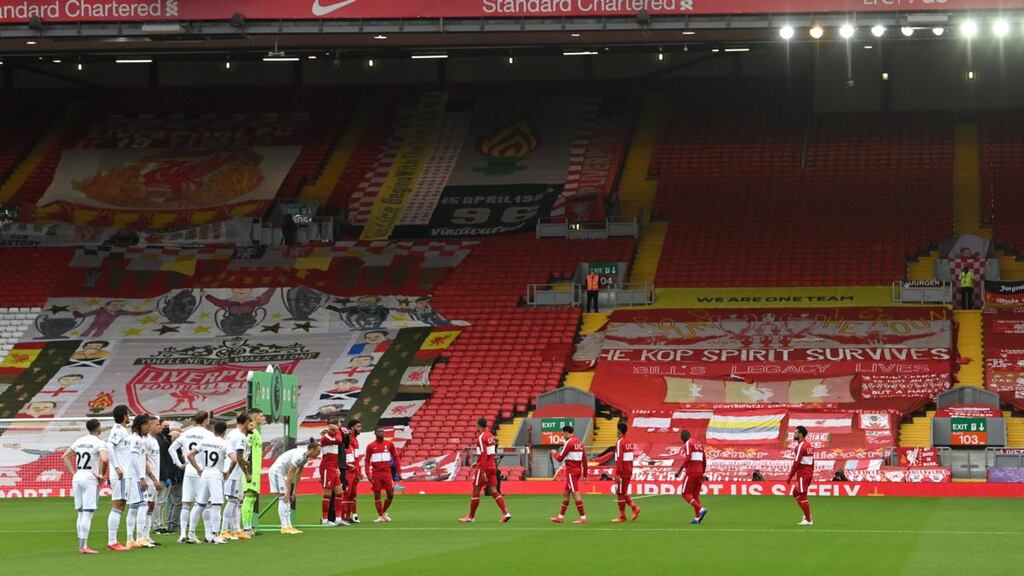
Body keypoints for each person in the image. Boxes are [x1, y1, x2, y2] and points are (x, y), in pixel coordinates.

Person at [62, 418, 109, 554]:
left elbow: (64, 457)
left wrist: (74, 474)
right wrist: (101, 474)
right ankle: (83, 547)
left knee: (80, 513)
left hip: (78, 477)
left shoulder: (79, 441)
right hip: (90, 478)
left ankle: (82, 544)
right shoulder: (99, 442)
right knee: (87, 514)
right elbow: (105, 459)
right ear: (98, 428)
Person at [168, 410, 212, 544]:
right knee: (204, 503)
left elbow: (171, 449)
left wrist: (179, 464)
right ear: (205, 420)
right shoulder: (208, 435)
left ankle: (182, 535)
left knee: (186, 503)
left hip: (189, 470)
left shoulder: (186, 433)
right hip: (202, 470)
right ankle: (208, 533)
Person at [459, 417, 511, 524]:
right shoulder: (491, 436)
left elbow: (483, 454)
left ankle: (471, 517)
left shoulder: (481, 437)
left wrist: (481, 469)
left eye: (476, 425)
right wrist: (477, 462)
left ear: (479, 425)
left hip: (484, 467)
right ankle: (506, 513)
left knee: (476, 489)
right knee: (493, 490)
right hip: (492, 466)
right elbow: (489, 452)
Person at [186, 420, 230, 544]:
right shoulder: (224, 443)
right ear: (224, 431)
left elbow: (189, 455)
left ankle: (191, 534)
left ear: (214, 429)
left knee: (199, 504)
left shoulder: (205, 441)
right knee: (216, 506)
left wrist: (198, 468)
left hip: (205, 474)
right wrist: (227, 471)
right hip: (216, 476)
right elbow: (234, 459)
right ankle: (214, 535)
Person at [269, 439, 321, 535]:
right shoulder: (299, 456)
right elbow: (290, 475)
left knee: (287, 499)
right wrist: (288, 491)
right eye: (317, 452)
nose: (318, 455)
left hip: (282, 473)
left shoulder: (305, 458)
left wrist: (294, 492)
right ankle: (284, 527)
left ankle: (289, 526)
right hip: (277, 472)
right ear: (312, 449)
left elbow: (298, 475)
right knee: (283, 497)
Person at [591, 421, 640, 523]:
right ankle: (633, 507)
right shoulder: (629, 442)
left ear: (619, 431)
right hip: (629, 470)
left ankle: (622, 516)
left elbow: (619, 459)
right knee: (621, 492)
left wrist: (617, 473)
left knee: (620, 493)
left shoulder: (620, 442)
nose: (615, 431)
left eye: (616, 429)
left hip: (622, 472)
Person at [104, 404, 132, 551]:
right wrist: (116, 467)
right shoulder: (117, 430)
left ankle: (113, 541)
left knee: (121, 505)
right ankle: (112, 541)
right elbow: (109, 446)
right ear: (124, 416)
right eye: (128, 414)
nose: (129, 416)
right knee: (118, 504)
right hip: (120, 474)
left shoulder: (123, 431)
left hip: (124, 474)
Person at [222, 413, 254, 540]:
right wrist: (247, 474)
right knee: (232, 501)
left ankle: (236, 530)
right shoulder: (240, 437)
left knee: (236, 501)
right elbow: (239, 458)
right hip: (234, 473)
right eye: (250, 422)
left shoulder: (231, 434)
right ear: (245, 422)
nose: (251, 425)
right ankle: (224, 529)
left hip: (233, 471)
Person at [549, 424, 588, 524]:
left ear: (567, 433)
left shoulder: (569, 443)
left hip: (571, 471)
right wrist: (585, 474)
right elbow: (584, 459)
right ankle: (560, 517)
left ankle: (583, 517)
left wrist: (553, 453)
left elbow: (560, 458)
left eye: (563, 434)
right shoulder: (580, 443)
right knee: (566, 493)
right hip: (578, 470)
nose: (563, 436)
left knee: (575, 493)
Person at [126, 414, 153, 548]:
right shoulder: (135, 440)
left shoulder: (135, 439)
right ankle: (140, 538)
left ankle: (130, 539)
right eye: (148, 425)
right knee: (143, 506)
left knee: (133, 507)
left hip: (132, 476)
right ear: (141, 425)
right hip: (136, 477)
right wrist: (142, 478)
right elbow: (134, 459)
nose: (149, 427)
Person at [364, 426, 401, 523]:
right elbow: (367, 460)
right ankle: (380, 515)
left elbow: (396, 458)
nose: (381, 433)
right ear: (375, 433)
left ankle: (383, 512)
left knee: (390, 494)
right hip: (376, 474)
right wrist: (368, 474)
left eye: (382, 432)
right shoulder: (370, 446)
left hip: (387, 474)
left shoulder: (389, 444)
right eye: (379, 432)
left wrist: (399, 472)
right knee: (377, 495)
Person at [319, 417, 349, 527]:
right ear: (332, 425)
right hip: (326, 468)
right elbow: (339, 440)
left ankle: (338, 518)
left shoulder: (334, 435)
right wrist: (336, 430)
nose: (339, 425)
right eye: (338, 424)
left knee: (339, 492)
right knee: (327, 495)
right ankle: (325, 519)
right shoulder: (326, 436)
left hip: (333, 467)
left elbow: (338, 447)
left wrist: (336, 467)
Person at [154, 420, 182, 535]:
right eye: (162, 426)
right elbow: (162, 460)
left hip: (165, 473)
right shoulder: (158, 440)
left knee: (162, 501)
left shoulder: (162, 439)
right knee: (158, 501)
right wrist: (165, 475)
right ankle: (157, 525)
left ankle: (160, 524)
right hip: (161, 474)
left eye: (166, 426)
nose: (164, 428)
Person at [675, 430, 708, 525]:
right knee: (695, 495)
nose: (682, 440)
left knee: (685, 494)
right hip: (700, 472)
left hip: (691, 472)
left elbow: (688, 456)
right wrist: (702, 472)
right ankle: (697, 518)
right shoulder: (699, 444)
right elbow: (704, 459)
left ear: (684, 437)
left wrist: (680, 470)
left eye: (681, 438)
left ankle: (701, 509)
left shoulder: (688, 443)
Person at [241, 408, 265, 536]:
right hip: (250, 470)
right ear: (255, 417)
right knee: (248, 498)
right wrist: (247, 471)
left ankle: (249, 526)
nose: (263, 418)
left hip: (255, 470)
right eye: (261, 416)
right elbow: (246, 453)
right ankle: (245, 528)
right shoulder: (250, 433)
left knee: (252, 498)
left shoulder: (255, 431)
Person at [141, 415, 163, 546]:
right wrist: (153, 479)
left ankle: (147, 536)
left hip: (154, 478)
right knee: (145, 506)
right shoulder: (146, 441)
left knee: (151, 506)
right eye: (156, 424)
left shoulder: (154, 440)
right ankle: (141, 536)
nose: (159, 426)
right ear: (149, 426)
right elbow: (143, 461)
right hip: (148, 480)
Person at [787, 425, 815, 526]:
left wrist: (790, 476)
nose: (794, 434)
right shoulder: (809, 445)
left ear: (801, 434)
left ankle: (808, 520)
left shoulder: (800, 446)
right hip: (807, 472)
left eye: (795, 433)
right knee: (795, 492)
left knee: (802, 495)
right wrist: (812, 471)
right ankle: (807, 515)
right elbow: (812, 460)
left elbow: (796, 462)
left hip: (803, 474)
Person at [339, 419, 363, 524]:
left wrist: (358, 471)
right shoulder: (347, 442)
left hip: (354, 472)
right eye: (358, 426)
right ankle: (341, 516)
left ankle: (349, 516)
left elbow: (356, 458)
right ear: (352, 428)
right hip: (348, 472)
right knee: (346, 493)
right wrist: (348, 466)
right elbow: (342, 458)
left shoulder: (354, 441)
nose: (360, 429)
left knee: (352, 494)